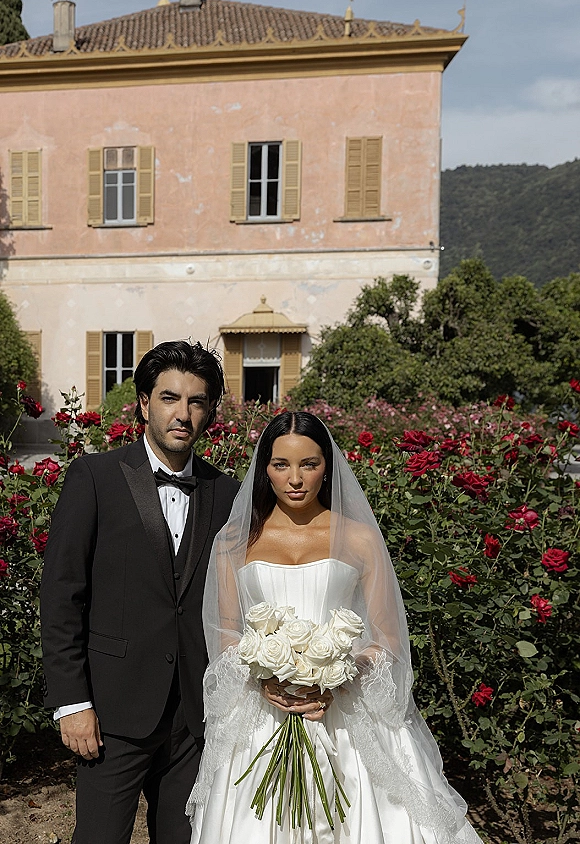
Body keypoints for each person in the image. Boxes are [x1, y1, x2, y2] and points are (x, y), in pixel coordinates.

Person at [187, 411, 484, 844]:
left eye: (308, 464)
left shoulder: (359, 538)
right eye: (281, 464)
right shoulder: (233, 542)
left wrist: (339, 675)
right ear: (264, 469)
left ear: (327, 467)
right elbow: (225, 631)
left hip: (345, 711)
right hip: (262, 712)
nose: (295, 479)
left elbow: (387, 636)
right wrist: (263, 675)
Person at [40, 340, 239, 844]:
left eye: (196, 402)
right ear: (145, 404)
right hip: (111, 714)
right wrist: (72, 703)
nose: (183, 414)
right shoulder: (95, 477)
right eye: (170, 398)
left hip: (194, 720)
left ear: (209, 412)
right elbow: (62, 595)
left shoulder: (227, 493)